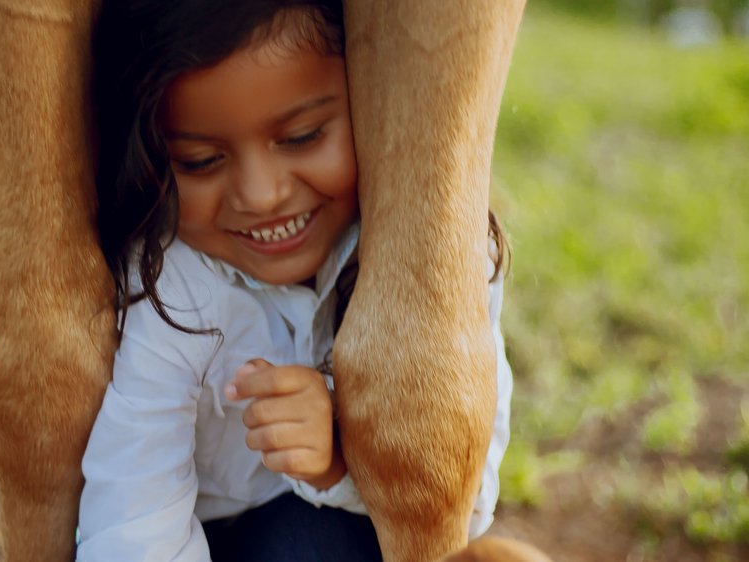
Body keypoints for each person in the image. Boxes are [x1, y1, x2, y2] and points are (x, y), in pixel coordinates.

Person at [76, 0, 513, 560]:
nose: (261, 195)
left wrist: (335, 461)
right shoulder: (168, 284)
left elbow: (467, 503)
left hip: (328, 527)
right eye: (202, 161)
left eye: (303, 136)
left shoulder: (438, 255)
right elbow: (134, 514)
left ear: (370, 99)